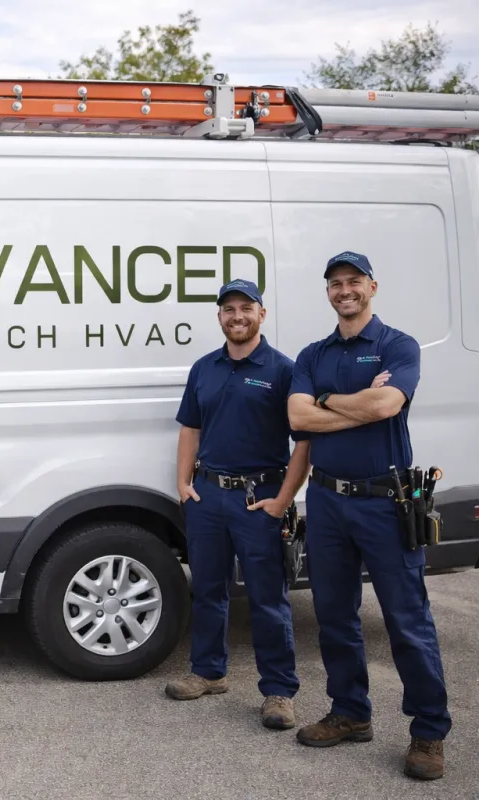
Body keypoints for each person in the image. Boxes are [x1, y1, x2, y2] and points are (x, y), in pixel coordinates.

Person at [287, 251, 449, 781]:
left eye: (353, 281)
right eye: (335, 283)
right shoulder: (312, 354)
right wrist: (352, 401)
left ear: (371, 287)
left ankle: (428, 730)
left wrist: (326, 401)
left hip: (386, 501)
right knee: (334, 616)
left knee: (406, 620)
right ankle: (350, 712)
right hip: (327, 501)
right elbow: (296, 415)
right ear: (328, 292)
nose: (344, 290)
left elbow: (386, 407)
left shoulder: (398, 345)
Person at [166, 279, 311, 731]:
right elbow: (190, 428)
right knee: (208, 590)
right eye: (228, 309)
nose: (237, 316)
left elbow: (304, 440)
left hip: (258, 499)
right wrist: (183, 483)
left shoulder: (283, 370)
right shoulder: (204, 368)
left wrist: (284, 498)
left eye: (246, 307)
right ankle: (209, 672)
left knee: (268, 598)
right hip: (208, 496)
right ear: (219, 317)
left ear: (261, 314)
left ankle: (279, 691)